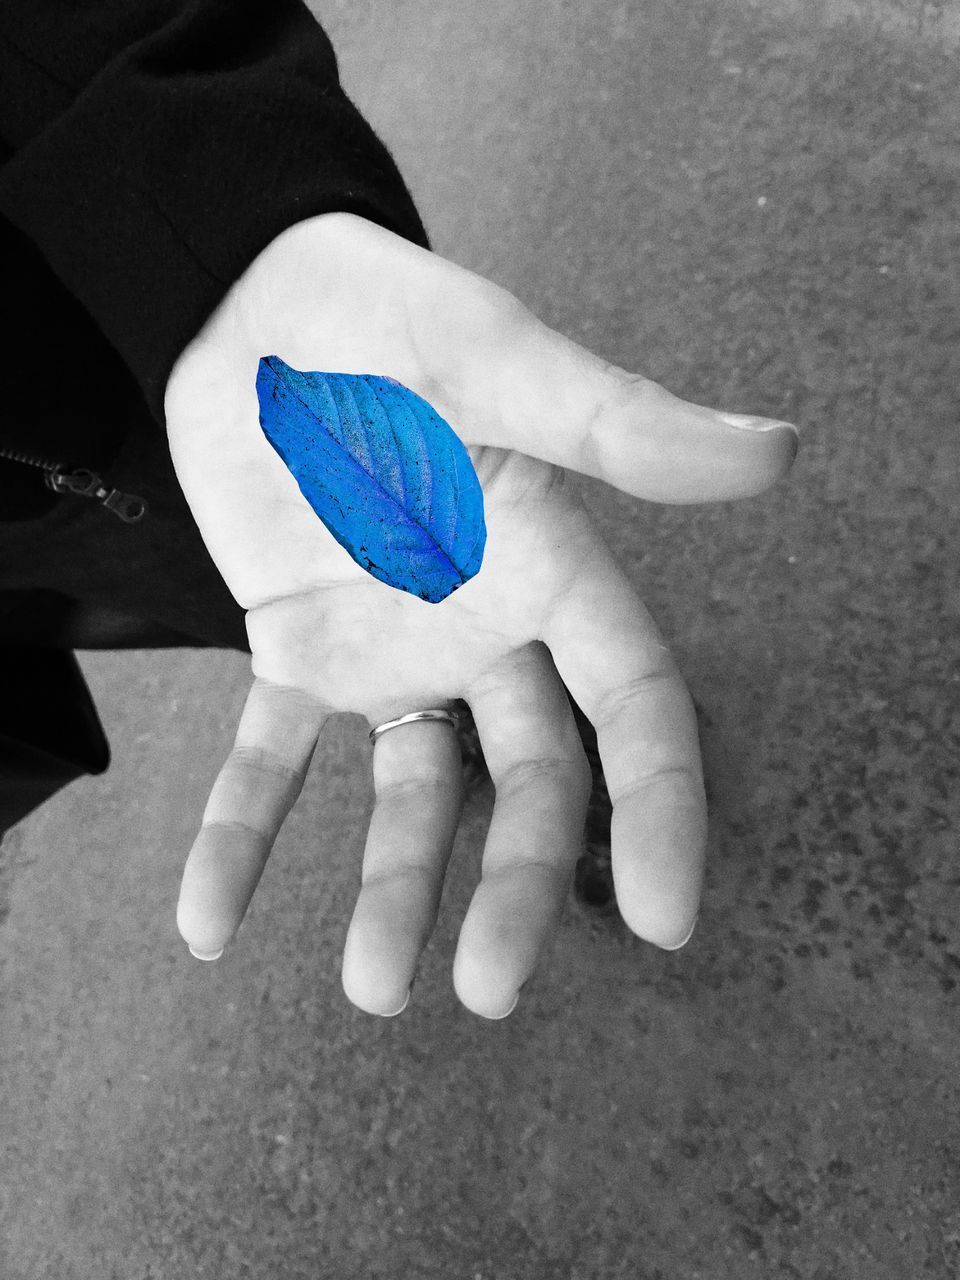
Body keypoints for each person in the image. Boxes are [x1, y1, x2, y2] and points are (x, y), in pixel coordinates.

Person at [0, 0, 798, 1019]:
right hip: (29, 531)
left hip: (109, 340)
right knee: (279, 610)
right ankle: (469, 710)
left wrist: (219, 230)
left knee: (345, 578)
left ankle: (552, 728)